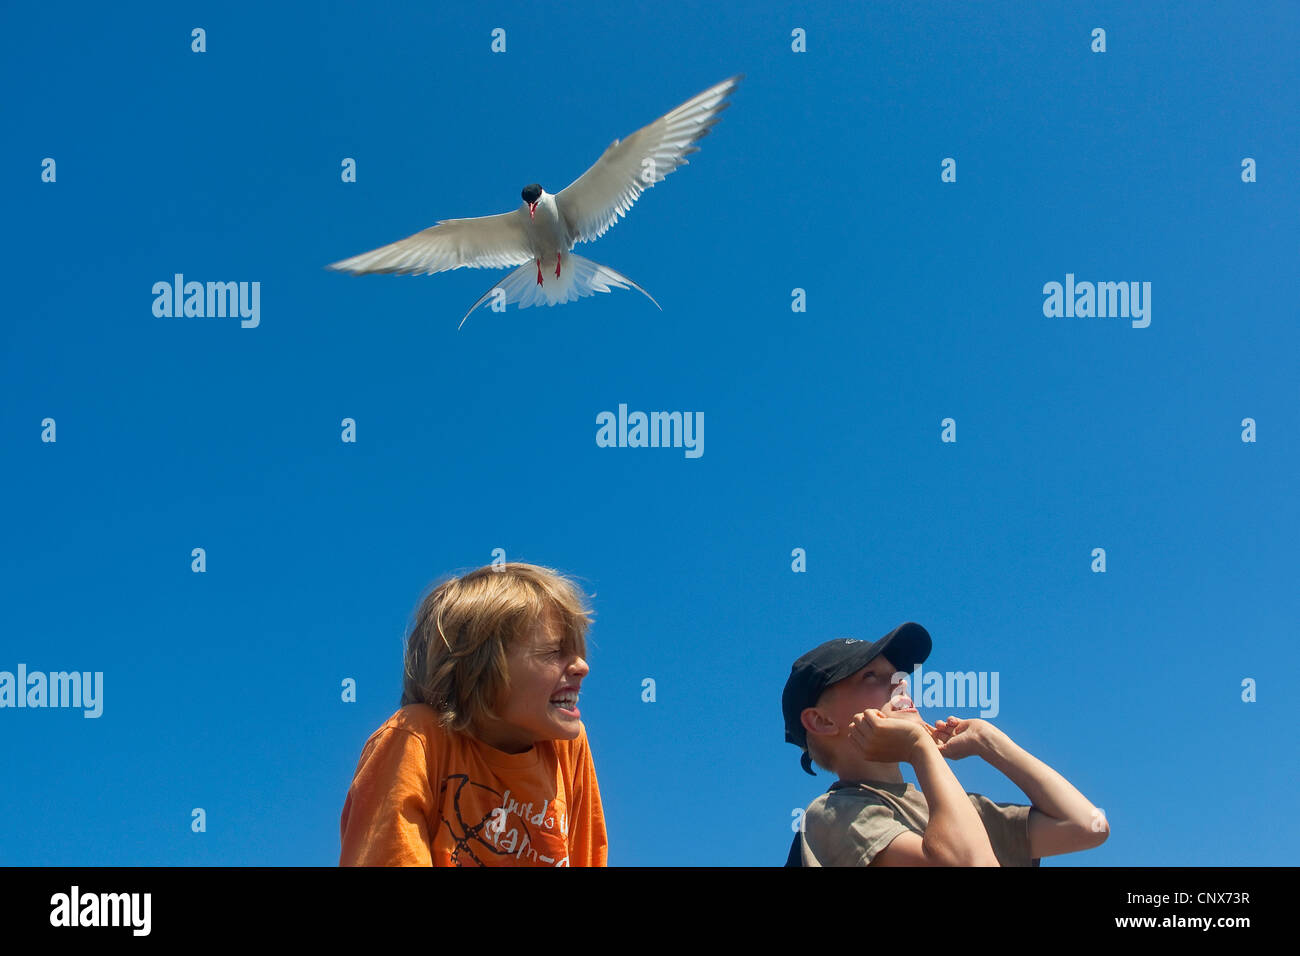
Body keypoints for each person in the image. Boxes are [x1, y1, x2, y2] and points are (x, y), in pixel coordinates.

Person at [339, 563, 607, 866]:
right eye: (554, 652)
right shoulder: (417, 739)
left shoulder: (566, 747)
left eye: (578, 652)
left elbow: (588, 857)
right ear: (481, 668)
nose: (582, 666)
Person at [782, 623, 1109, 866]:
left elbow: (1085, 826)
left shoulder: (951, 809)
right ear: (822, 721)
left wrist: (990, 742)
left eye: (898, 676)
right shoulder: (832, 815)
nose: (900, 683)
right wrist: (918, 747)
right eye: (871, 676)